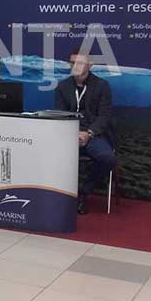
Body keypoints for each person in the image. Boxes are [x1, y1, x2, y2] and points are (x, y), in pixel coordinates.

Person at [55, 48, 115, 215]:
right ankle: (58, 194)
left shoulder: (102, 86)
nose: (75, 66)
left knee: (107, 158)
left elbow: (104, 116)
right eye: (72, 63)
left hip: (93, 134)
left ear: (90, 64)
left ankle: (84, 192)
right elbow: (60, 114)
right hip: (68, 134)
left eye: (80, 63)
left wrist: (88, 133)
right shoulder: (63, 86)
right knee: (48, 154)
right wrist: (72, 133)